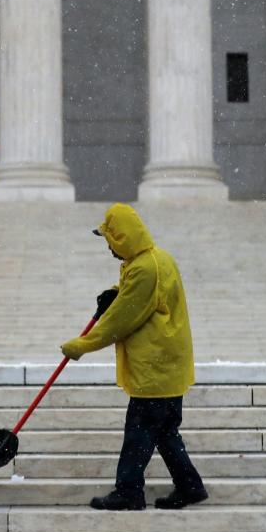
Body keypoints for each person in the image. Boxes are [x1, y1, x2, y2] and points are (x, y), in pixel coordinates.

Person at [60, 202, 208, 511]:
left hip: (154, 369)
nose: (109, 248)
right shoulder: (157, 259)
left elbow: (121, 321)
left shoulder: (142, 268)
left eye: (110, 240)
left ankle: (128, 491)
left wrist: (81, 345)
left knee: (138, 433)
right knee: (166, 432)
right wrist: (117, 291)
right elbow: (141, 295)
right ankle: (190, 486)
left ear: (122, 238)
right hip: (169, 367)